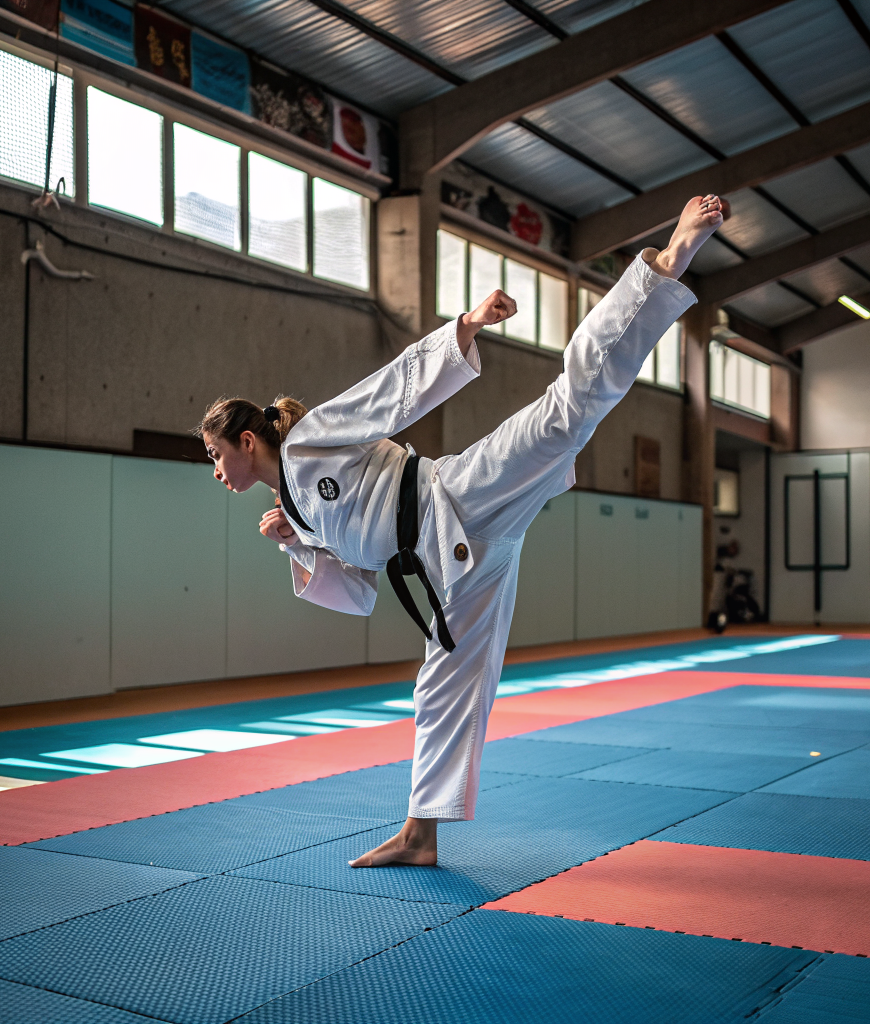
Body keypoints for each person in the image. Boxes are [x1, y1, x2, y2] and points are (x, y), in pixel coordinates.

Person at [200, 194, 724, 867]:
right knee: (443, 684)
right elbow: (358, 594)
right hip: (448, 567)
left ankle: (664, 265)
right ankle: (421, 834)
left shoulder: (308, 445)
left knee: (566, 414)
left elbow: (387, 392)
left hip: (456, 494)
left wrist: (465, 328)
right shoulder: (296, 512)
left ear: (247, 440)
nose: (216, 471)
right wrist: (295, 545)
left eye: (217, 455)